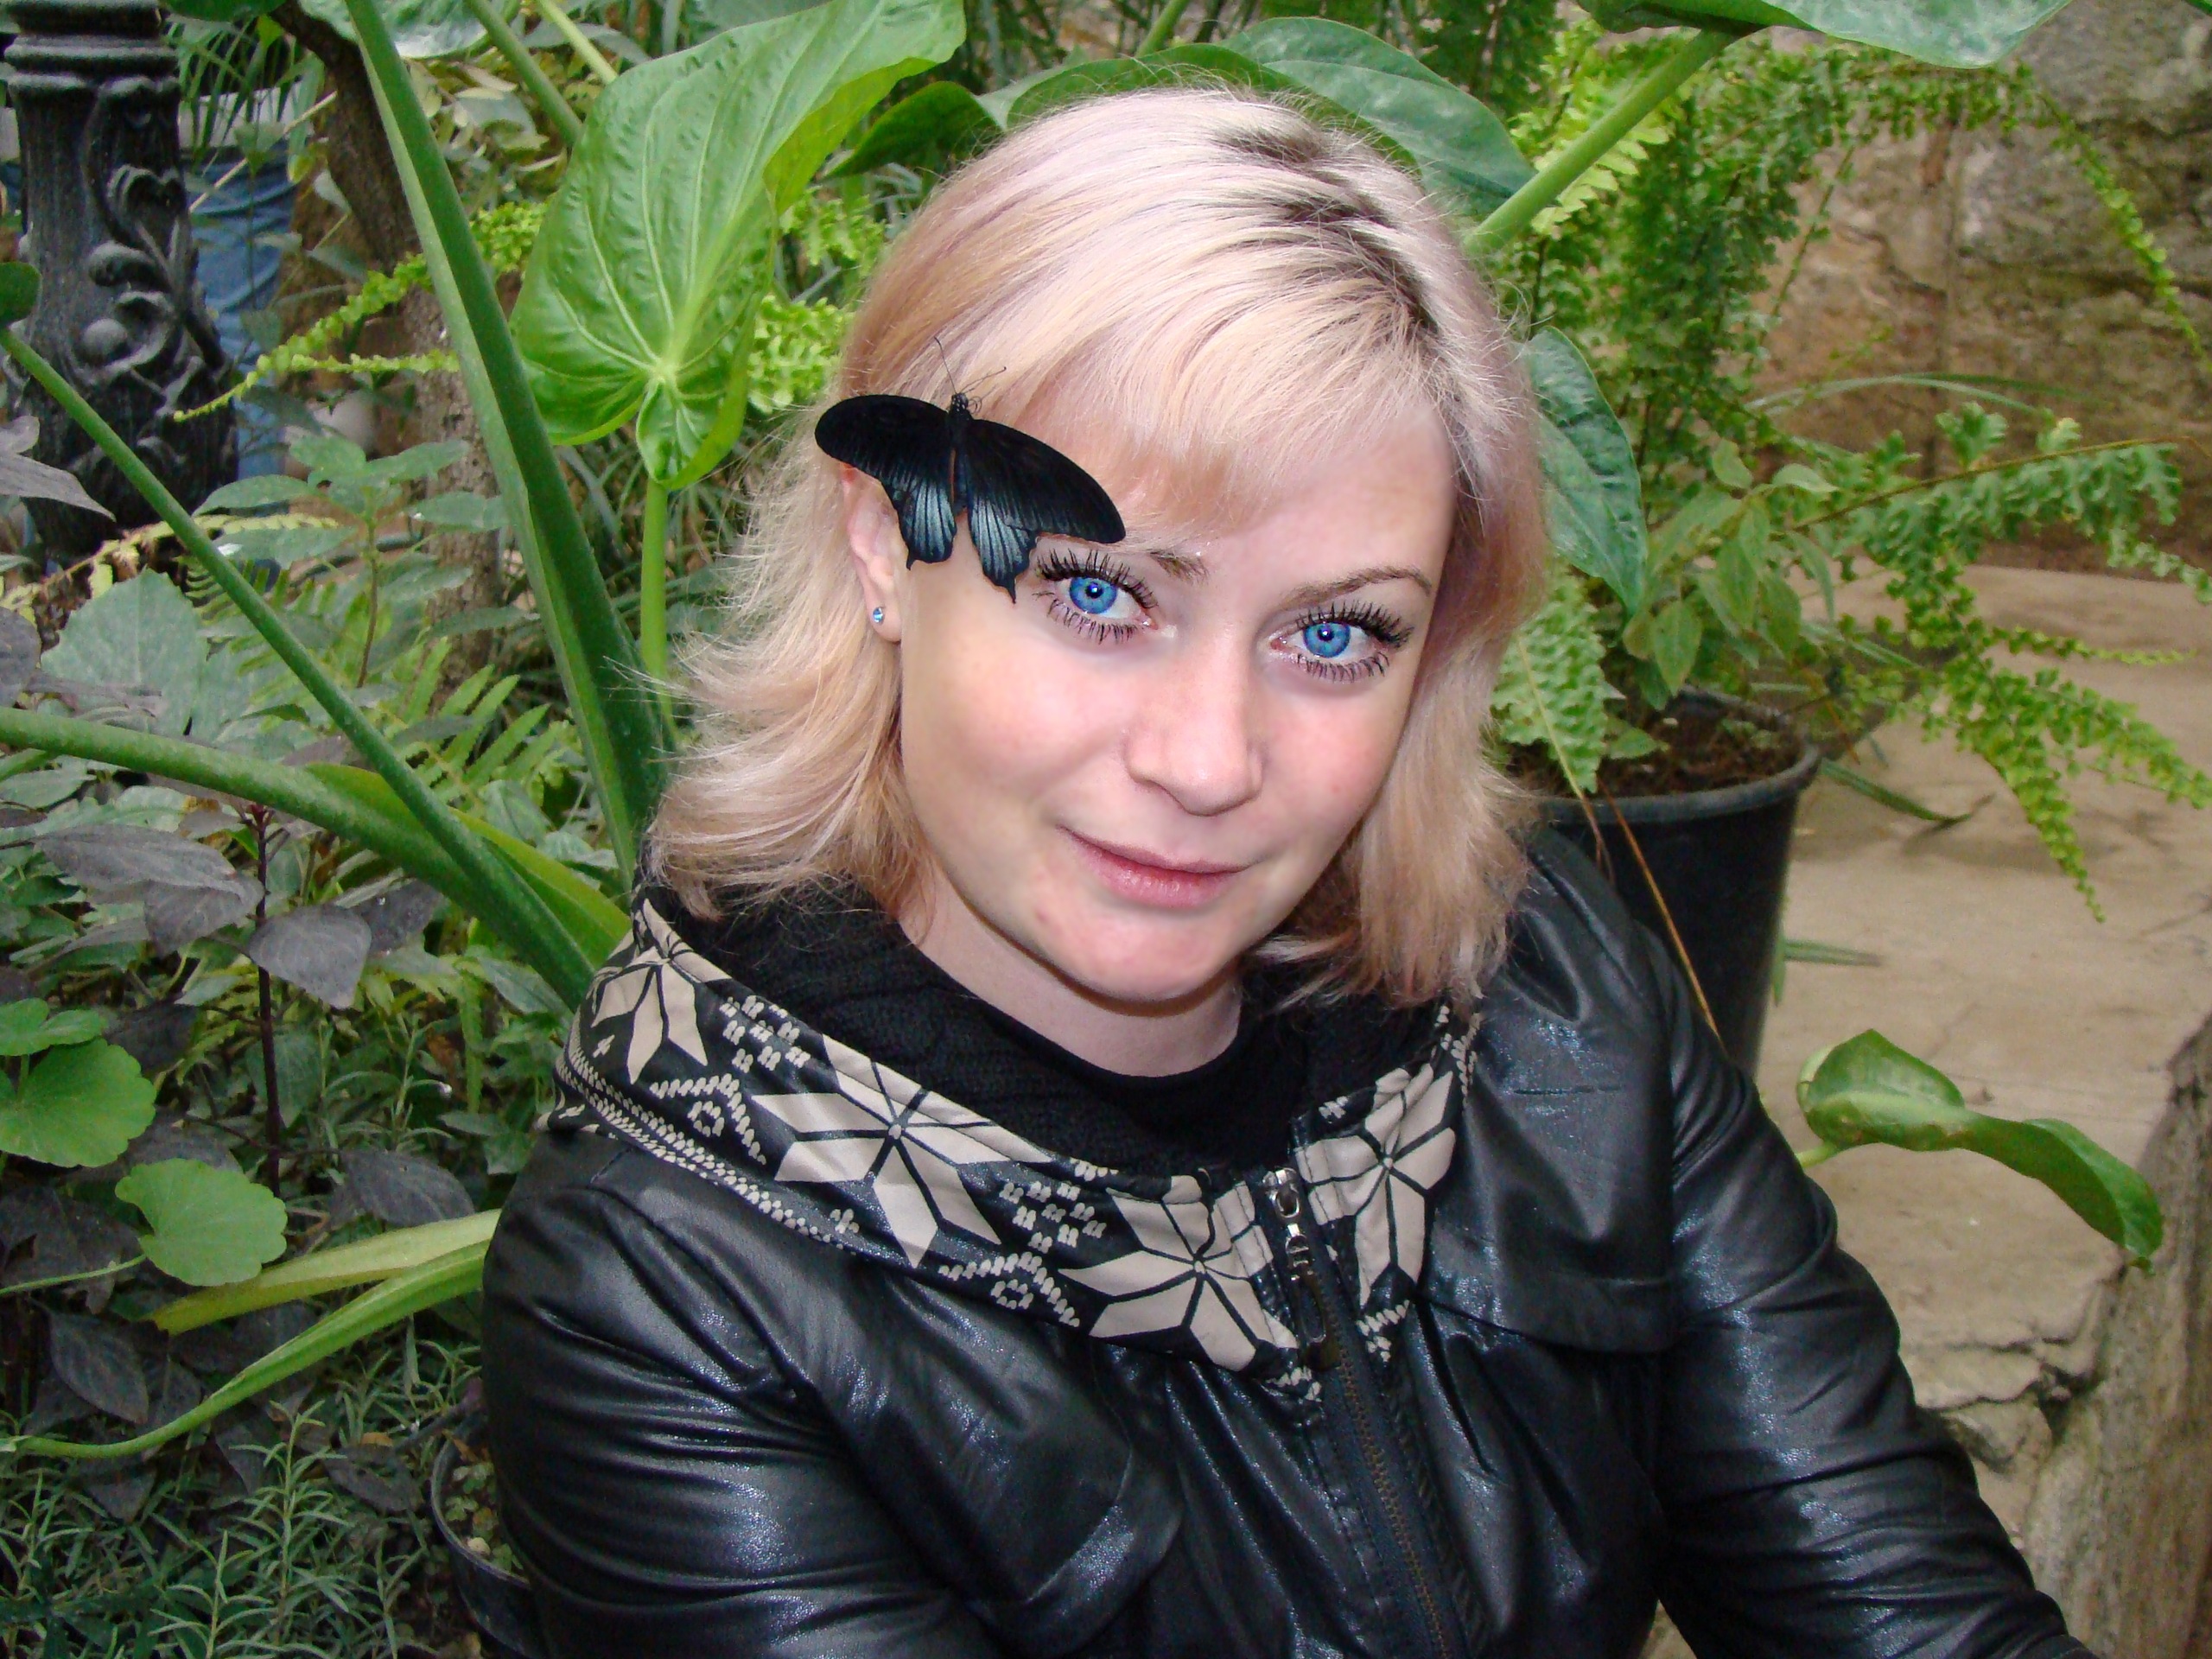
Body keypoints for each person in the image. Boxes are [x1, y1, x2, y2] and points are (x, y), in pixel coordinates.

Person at [480, 87, 2094, 1659]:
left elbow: (1894, 1588)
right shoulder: (666, 1292)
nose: (1209, 762)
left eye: (1335, 635)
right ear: (876, 543)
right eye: (1101, 596)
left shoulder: (1544, 987)